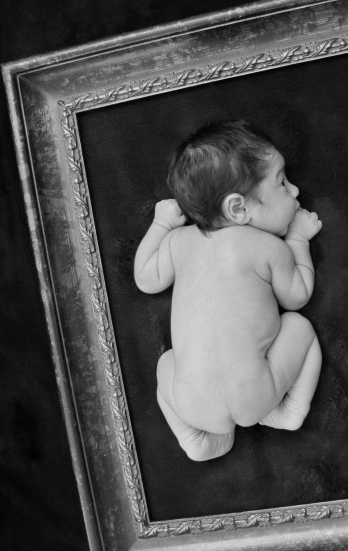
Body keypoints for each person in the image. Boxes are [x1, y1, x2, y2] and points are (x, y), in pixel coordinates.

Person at [134, 120, 322, 461]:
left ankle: (193, 438)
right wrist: (297, 240)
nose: (295, 191)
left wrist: (160, 224)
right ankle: (289, 412)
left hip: (193, 404)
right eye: (282, 182)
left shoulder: (177, 242)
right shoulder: (268, 247)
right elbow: (297, 297)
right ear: (238, 208)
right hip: (258, 396)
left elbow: (146, 279)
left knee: (166, 362)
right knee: (299, 326)